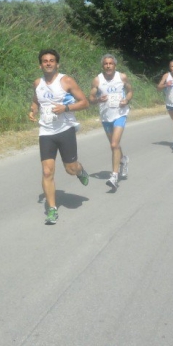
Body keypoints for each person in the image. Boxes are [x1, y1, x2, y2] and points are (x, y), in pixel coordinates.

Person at [29, 49, 90, 224]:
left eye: (52, 60)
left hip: (65, 129)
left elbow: (84, 103)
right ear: (40, 64)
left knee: (70, 169)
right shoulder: (37, 83)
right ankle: (52, 209)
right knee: (47, 171)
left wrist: (66, 108)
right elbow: (36, 100)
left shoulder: (66, 81)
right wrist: (33, 110)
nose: (48, 63)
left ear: (57, 64)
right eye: (45, 61)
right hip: (46, 131)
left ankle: (80, 170)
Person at [89, 54, 133, 190]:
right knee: (115, 145)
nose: (108, 66)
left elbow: (130, 90)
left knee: (114, 144)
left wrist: (126, 100)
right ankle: (123, 160)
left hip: (120, 114)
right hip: (105, 116)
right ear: (103, 66)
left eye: (111, 63)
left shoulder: (122, 77)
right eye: (106, 64)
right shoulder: (97, 80)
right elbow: (90, 98)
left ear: (115, 65)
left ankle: (114, 176)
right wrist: (98, 100)